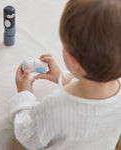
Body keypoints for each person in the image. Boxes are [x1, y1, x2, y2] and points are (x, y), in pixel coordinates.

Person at [9, 0, 121, 149]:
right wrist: (61, 77)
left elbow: (27, 135)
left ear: (72, 61)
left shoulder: (54, 106)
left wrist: (24, 95)